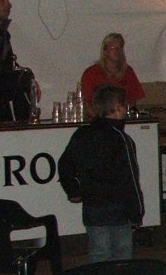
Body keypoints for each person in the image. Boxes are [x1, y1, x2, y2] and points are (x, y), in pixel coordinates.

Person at [58, 84, 144, 264]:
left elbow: (65, 164)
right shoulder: (121, 139)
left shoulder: (82, 134)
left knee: (98, 252)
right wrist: (137, 212)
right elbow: (130, 178)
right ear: (118, 108)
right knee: (122, 252)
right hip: (118, 208)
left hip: (92, 206)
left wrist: (73, 189)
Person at [80, 33, 145, 109]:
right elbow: (86, 103)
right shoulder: (91, 73)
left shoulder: (128, 71)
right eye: (113, 47)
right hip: (99, 115)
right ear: (105, 51)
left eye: (119, 47)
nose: (117, 50)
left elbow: (133, 99)